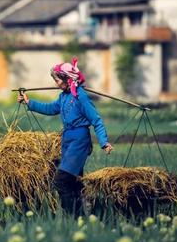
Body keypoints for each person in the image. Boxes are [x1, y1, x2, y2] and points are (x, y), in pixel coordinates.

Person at [17, 57, 113, 216]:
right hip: (67, 140)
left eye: (57, 80)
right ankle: (84, 214)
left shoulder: (80, 96)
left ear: (67, 80)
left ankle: (74, 216)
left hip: (79, 141)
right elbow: (50, 108)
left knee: (61, 181)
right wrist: (29, 103)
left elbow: (96, 119)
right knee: (75, 183)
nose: (55, 83)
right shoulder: (63, 97)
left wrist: (104, 142)